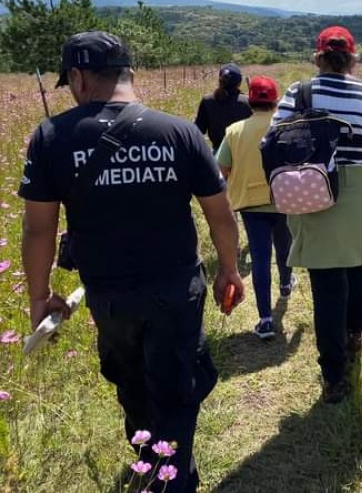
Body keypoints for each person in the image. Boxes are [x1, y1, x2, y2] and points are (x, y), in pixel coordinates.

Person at [19, 31, 244, 492]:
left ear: (78, 78)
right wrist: (229, 269)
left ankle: (152, 464)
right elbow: (219, 213)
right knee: (177, 387)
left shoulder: (51, 138)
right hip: (176, 289)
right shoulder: (178, 131)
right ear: (130, 74)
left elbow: (38, 230)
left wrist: (40, 297)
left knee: (132, 382)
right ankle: (171, 475)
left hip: (108, 296)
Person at [271, 25, 362, 403]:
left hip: (315, 196)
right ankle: (354, 335)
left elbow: (271, 146)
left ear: (318, 57)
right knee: (359, 266)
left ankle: (334, 376)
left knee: (327, 289)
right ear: (354, 58)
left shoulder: (296, 93)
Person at [216, 75, 296, 340]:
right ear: (276, 101)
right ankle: (286, 283)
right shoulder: (287, 125)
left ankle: (265, 320)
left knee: (261, 258)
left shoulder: (235, 131)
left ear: (249, 101)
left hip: (250, 204)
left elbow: (222, 168)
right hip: (283, 198)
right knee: (284, 246)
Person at [194, 62, 252, 152]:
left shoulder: (208, 100)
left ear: (220, 80)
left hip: (218, 151)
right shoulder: (247, 101)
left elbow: (198, 130)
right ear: (239, 83)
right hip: (242, 153)